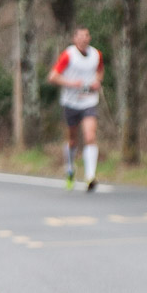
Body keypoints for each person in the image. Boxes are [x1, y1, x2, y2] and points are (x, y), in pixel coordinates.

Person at [47, 26, 104, 191]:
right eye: (80, 36)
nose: (84, 39)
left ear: (89, 38)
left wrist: (97, 81)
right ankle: (70, 168)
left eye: (86, 35)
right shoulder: (68, 55)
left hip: (89, 101)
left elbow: (100, 71)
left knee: (90, 136)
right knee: (72, 140)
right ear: (74, 39)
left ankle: (90, 176)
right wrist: (72, 83)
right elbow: (53, 77)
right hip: (71, 102)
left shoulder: (96, 54)